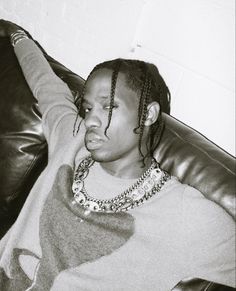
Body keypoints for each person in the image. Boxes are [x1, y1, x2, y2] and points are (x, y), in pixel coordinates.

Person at [0, 20, 235, 291]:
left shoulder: (186, 214)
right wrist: (17, 35)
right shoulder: (71, 140)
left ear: (148, 114)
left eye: (108, 106)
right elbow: (46, 85)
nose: (91, 120)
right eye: (87, 108)